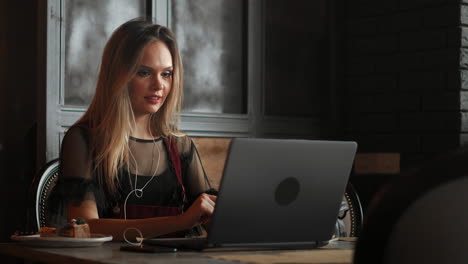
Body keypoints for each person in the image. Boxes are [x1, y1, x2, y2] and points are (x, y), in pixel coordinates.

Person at [48, 18, 217, 241]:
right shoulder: (83, 140)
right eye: (144, 72)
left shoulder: (180, 145)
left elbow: (214, 214)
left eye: (166, 74)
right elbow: (86, 227)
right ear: (118, 76)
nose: (159, 85)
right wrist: (181, 221)